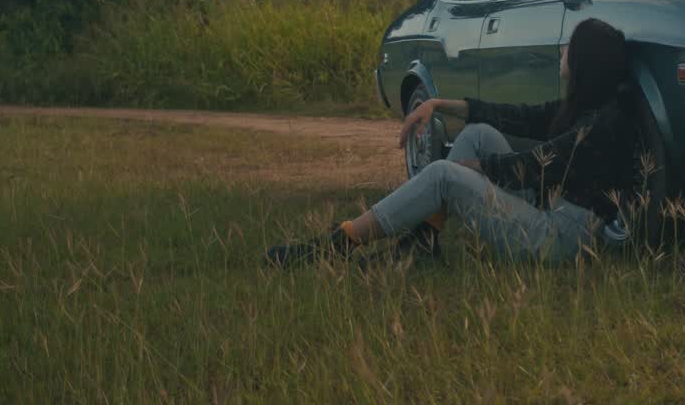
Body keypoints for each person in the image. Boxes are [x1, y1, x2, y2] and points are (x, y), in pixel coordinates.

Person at [265, 18, 639, 269]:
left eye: (569, 46)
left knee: (444, 173)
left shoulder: (601, 124)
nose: (561, 50)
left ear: (584, 60)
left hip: (560, 240)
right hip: (550, 215)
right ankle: (422, 244)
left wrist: (475, 171)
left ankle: (337, 245)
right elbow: (516, 115)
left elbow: (536, 165)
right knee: (477, 134)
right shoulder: (588, 106)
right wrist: (439, 103)